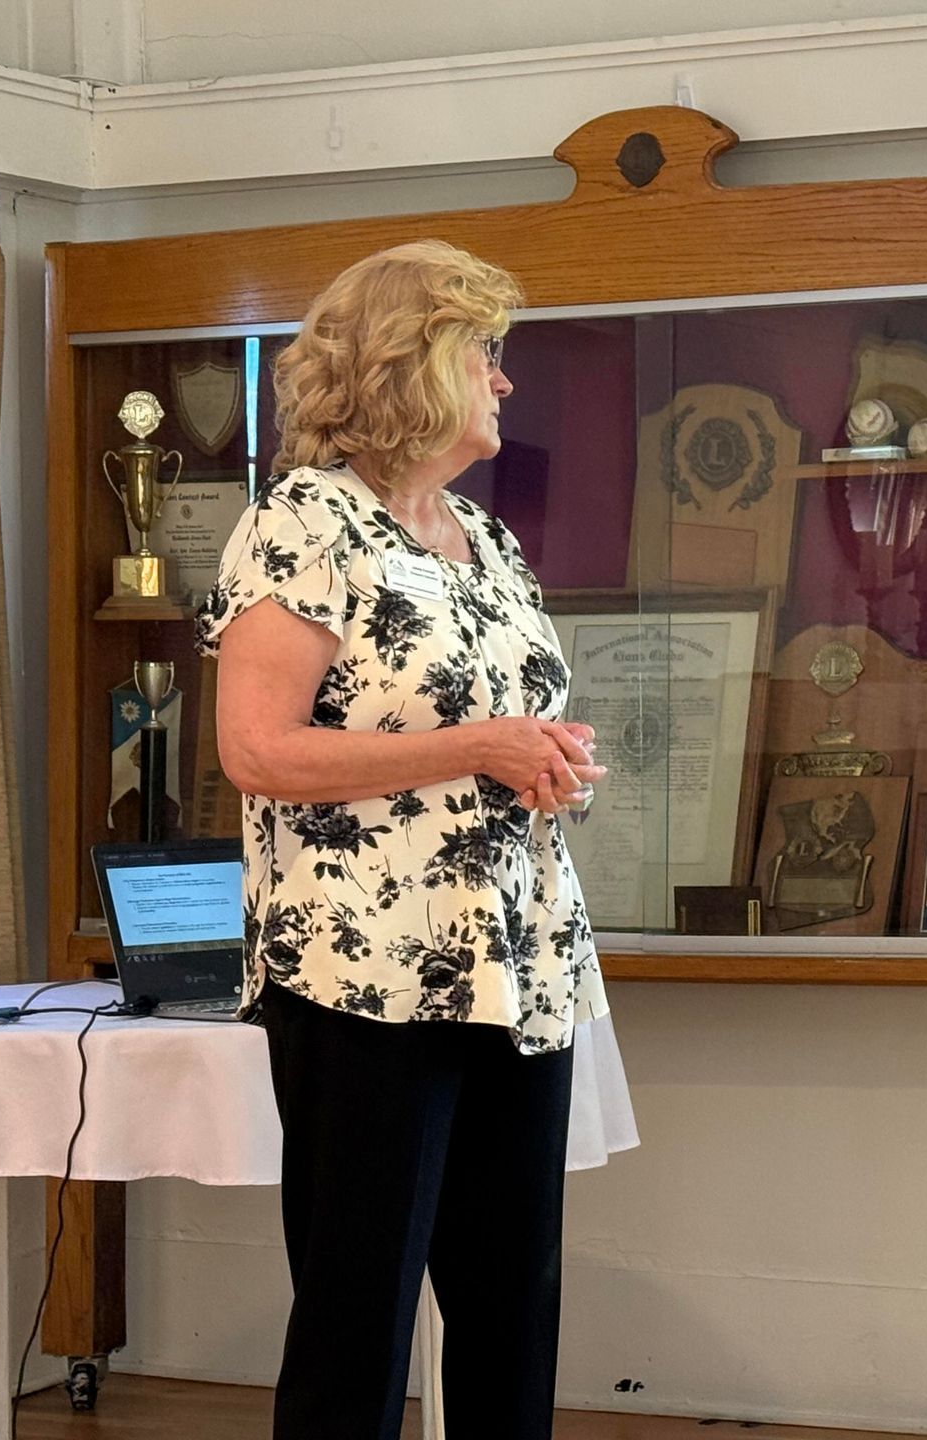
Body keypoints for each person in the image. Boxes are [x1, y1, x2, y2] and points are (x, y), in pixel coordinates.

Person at [196, 239, 618, 1440]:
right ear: (417, 362)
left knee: (512, 1305)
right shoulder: (304, 521)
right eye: (486, 354)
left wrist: (543, 759)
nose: (505, 380)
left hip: (516, 965)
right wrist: (480, 746)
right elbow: (257, 752)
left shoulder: (486, 539)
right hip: (363, 972)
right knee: (359, 1314)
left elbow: (492, 736)